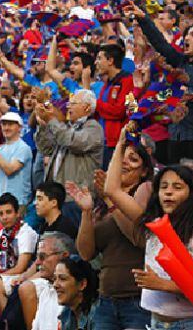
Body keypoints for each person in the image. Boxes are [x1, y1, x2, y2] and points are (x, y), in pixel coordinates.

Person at [105, 149, 193, 329]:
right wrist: (120, 143)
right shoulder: (153, 225)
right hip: (156, 322)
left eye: (177, 187)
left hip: (192, 324)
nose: (168, 192)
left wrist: (162, 284)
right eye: (163, 187)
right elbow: (111, 189)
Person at [131, 2, 193, 176]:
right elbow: (160, 43)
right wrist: (143, 18)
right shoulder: (180, 62)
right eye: (186, 35)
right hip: (176, 136)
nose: (186, 38)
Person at [67, 139, 155, 330]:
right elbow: (86, 253)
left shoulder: (145, 189)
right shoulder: (103, 204)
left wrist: (110, 198)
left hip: (137, 300)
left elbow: (137, 236)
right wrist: (86, 211)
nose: (124, 163)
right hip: (106, 299)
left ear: (144, 171)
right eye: (120, 158)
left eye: (132, 159)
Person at [34, 89, 103, 225]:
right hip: (56, 199)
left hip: (76, 200)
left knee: (72, 242)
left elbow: (72, 141)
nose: (68, 107)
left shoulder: (94, 128)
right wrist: (43, 126)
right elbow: (45, 148)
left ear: (87, 107)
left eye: (73, 103)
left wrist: (52, 121)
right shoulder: (65, 128)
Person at [0, 193, 39, 317]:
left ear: (17, 213)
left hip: (23, 276)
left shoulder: (26, 232)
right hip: (6, 275)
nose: (5, 217)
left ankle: (8, 323)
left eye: (8, 212)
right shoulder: (1, 234)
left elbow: (20, 267)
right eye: (1, 214)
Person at [0, 111, 33, 209]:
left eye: (10, 124)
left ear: (19, 128)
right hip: (3, 200)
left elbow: (9, 170)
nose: (6, 128)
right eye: (4, 124)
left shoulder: (23, 147)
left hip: (19, 201)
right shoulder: (0, 149)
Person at [94, 43, 134, 169]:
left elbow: (120, 111)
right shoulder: (108, 84)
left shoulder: (127, 81)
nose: (96, 62)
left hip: (116, 143)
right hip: (103, 142)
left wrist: (95, 103)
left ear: (110, 60)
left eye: (99, 58)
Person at [55, 257, 99, 330]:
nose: (55, 285)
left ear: (82, 284)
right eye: (55, 279)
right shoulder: (66, 313)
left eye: (62, 279)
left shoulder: (98, 315)